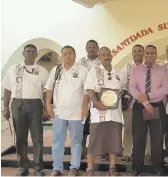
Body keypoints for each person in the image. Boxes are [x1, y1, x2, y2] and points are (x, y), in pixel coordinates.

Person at [1, 44, 49, 176]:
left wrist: (46, 108)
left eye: (33, 51)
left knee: (37, 138)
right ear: (23, 53)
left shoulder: (42, 71)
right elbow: (7, 89)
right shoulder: (13, 69)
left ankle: (38, 167)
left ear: (36, 54)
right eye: (28, 51)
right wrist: (5, 108)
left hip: (35, 105)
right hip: (17, 104)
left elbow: (46, 92)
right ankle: (22, 166)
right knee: (21, 138)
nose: (30, 53)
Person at [46, 46, 89, 176]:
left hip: (76, 113)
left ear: (75, 55)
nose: (67, 56)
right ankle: (57, 168)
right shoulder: (56, 70)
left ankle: (74, 167)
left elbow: (86, 92)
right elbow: (49, 88)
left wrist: (84, 109)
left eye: (70, 53)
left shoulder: (82, 70)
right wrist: (48, 104)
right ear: (61, 56)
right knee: (57, 140)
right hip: (59, 112)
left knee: (76, 141)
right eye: (64, 54)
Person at [129, 45, 168, 176]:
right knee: (138, 138)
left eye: (152, 53)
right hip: (140, 107)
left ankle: (158, 167)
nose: (149, 55)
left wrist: (148, 96)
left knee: (157, 139)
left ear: (156, 54)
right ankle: (136, 168)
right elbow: (132, 88)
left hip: (156, 106)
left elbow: (165, 89)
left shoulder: (163, 70)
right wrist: (145, 102)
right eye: (147, 53)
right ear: (144, 54)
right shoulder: (136, 70)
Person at [84, 47, 126, 176]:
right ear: (99, 57)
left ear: (112, 57)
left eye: (109, 55)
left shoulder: (118, 72)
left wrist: (120, 94)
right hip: (98, 114)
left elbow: (123, 88)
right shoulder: (93, 72)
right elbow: (90, 90)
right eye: (103, 55)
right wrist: (96, 103)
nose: (107, 57)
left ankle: (112, 168)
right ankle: (90, 168)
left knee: (114, 142)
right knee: (94, 142)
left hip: (115, 114)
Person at [120, 44, 151, 163]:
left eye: (139, 51)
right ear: (132, 53)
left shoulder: (150, 67)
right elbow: (121, 85)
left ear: (143, 53)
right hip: (130, 105)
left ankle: (149, 153)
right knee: (128, 129)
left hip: (148, 103)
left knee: (149, 130)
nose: (137, 53)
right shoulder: (127, 68)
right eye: (135, 51)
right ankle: (127, 153)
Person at [77, 39, 100, 159]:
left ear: (97, 48)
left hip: (98, 99)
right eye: (89, 47)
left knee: (99, 127)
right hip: (84, 100)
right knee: (83, 127)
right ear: (86, 49)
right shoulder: (80, 63)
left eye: (94, 47)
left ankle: (99, 151)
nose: (91, 49)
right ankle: (81, 151)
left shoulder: (101, 62)